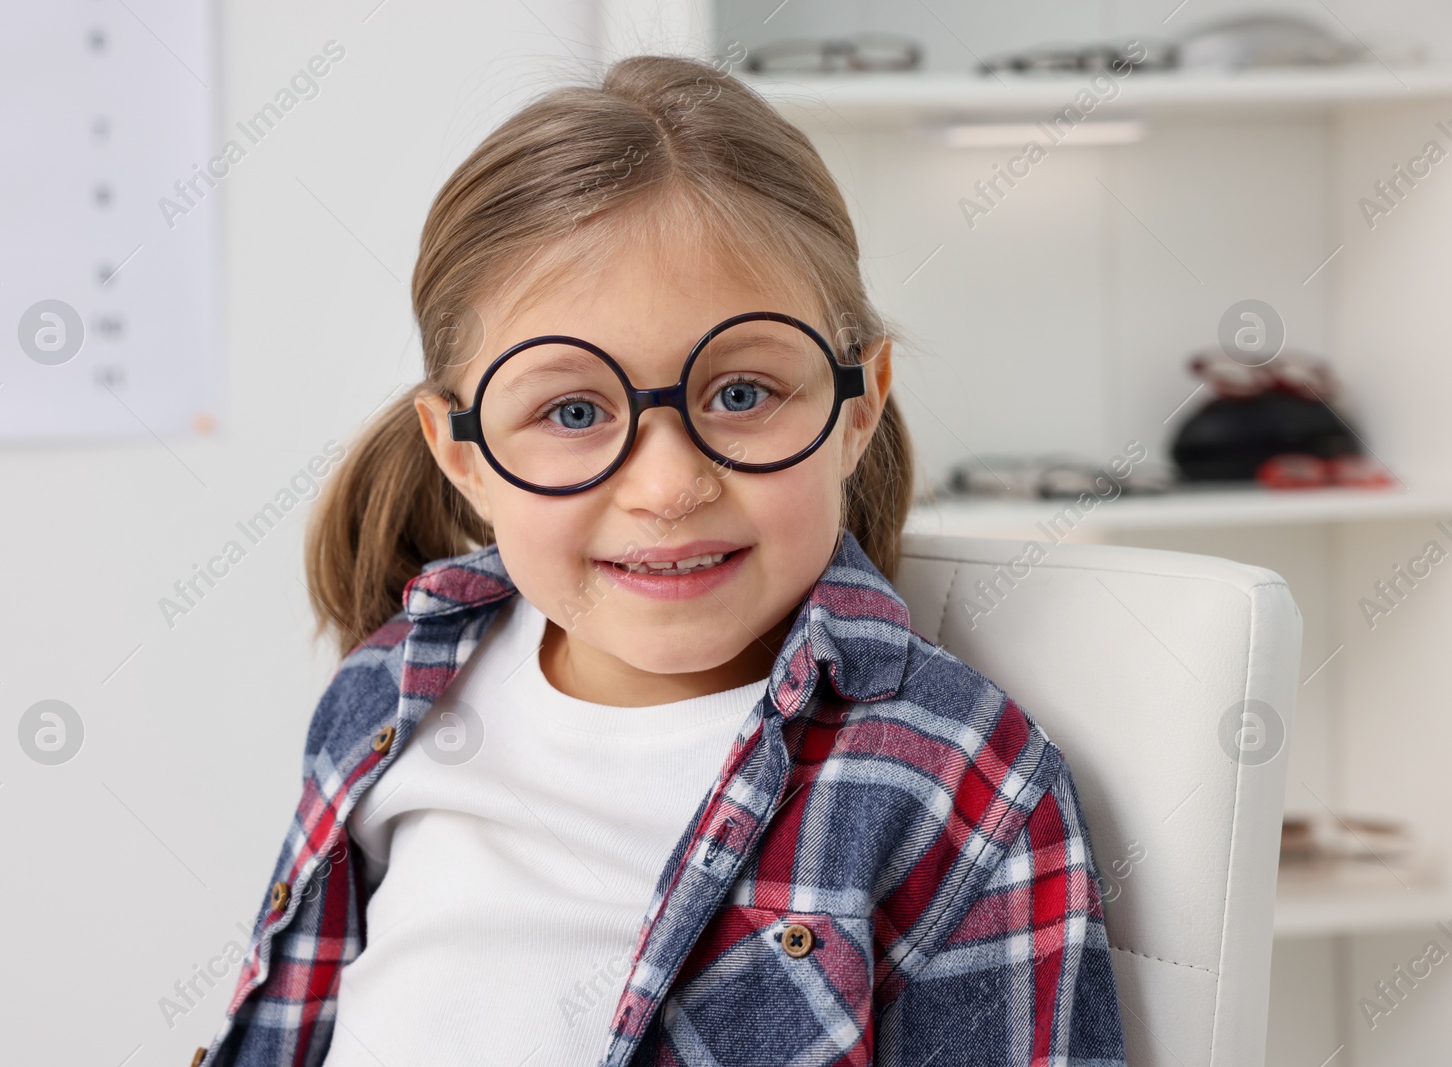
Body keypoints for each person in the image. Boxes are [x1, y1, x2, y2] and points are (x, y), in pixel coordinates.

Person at [192, 52, 1124, 1067]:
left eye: (740, 393)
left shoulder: (955, 779)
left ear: (857, 406)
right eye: (574, 410)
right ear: (461, 453)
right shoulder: (386, 695)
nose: (667, 486)